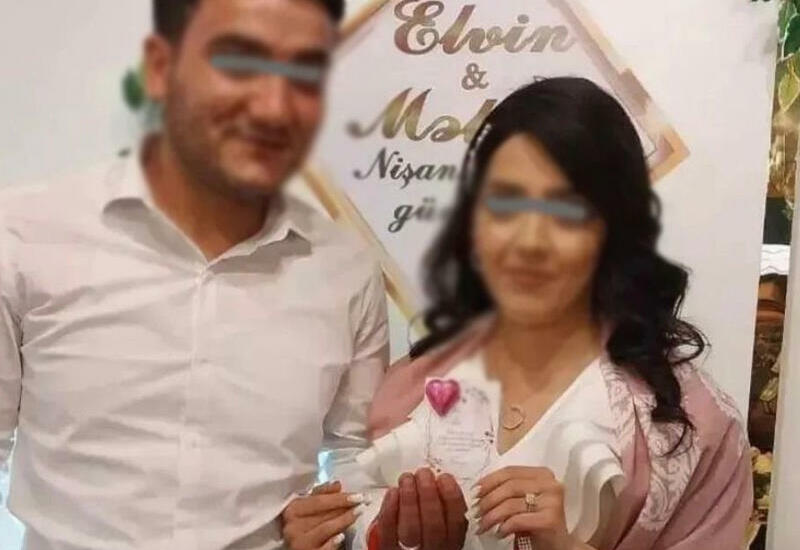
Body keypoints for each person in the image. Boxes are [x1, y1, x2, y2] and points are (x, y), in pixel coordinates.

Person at [0, 1, 389, 549]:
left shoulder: (346, 268)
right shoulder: (22, 235)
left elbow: (354, 460)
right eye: (239, 62)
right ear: (161, 68)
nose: (274, 108)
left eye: (304, 73)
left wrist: (344, 525)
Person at [356, 77, 752, 550]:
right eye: (505, 203)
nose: (530, 241)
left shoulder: (689, 429)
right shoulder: (412, 388)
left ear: (615, 228)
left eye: (567, 211)